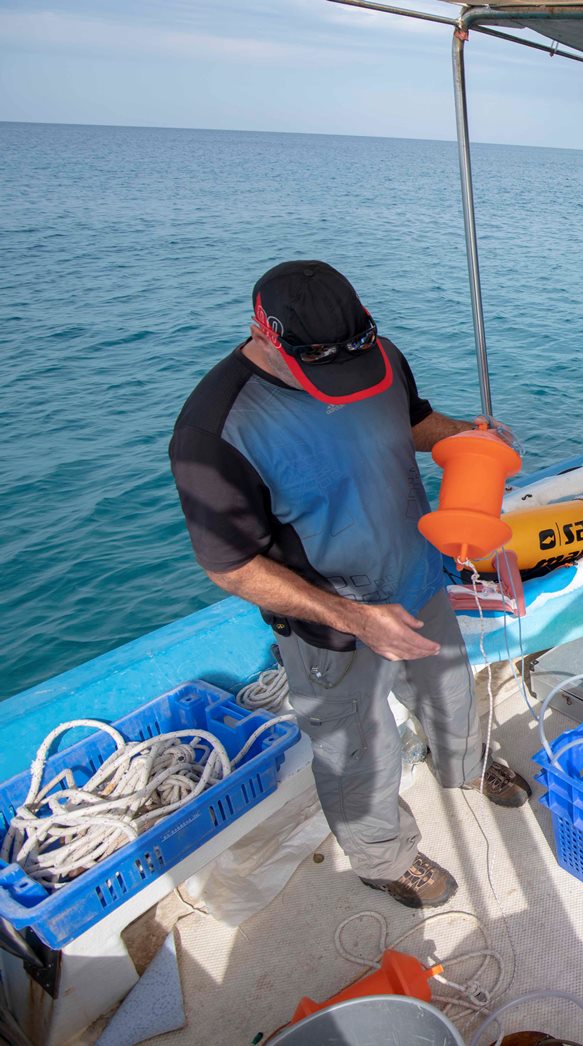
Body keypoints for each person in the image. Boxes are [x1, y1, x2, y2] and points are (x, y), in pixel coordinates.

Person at [168, 260, 530, 910]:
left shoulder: (380, 356)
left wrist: (467, 435)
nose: (349, 381)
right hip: (333, 627)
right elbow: (230, 566)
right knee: (358, 751)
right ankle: (382, 858)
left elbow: (410, 421)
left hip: (420, 577)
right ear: (263, 332)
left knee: (454, 696)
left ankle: (467, 768)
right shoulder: (213, 429)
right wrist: (356, 619)